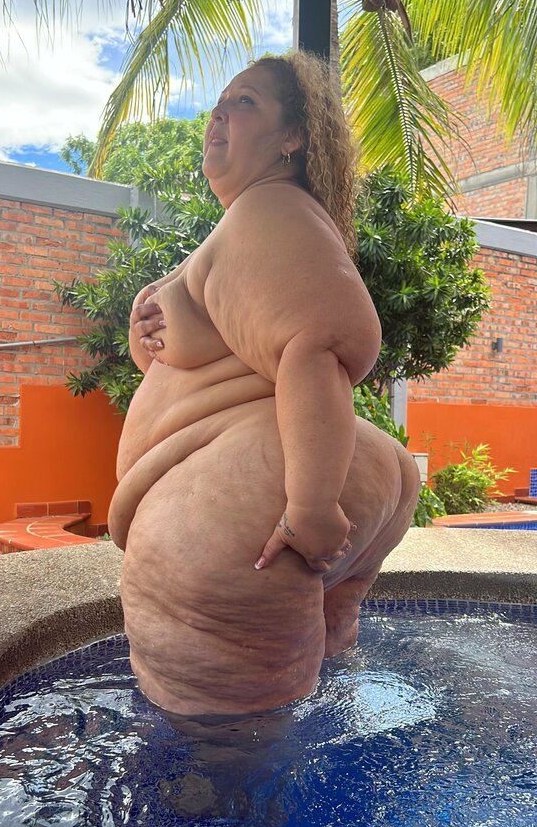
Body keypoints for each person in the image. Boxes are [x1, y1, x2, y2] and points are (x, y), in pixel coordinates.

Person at [108, 51, 420, 718]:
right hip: (278, 482)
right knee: (317, 712)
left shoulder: (270, 209)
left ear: (292, 138)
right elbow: (216, 365)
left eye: (245, 102)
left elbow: (320, 341)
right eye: (219, 103)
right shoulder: (253, 221)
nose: (219, 114)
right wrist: (147, 334)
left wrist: (311, 504)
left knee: (223, 760)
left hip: (253, 510)